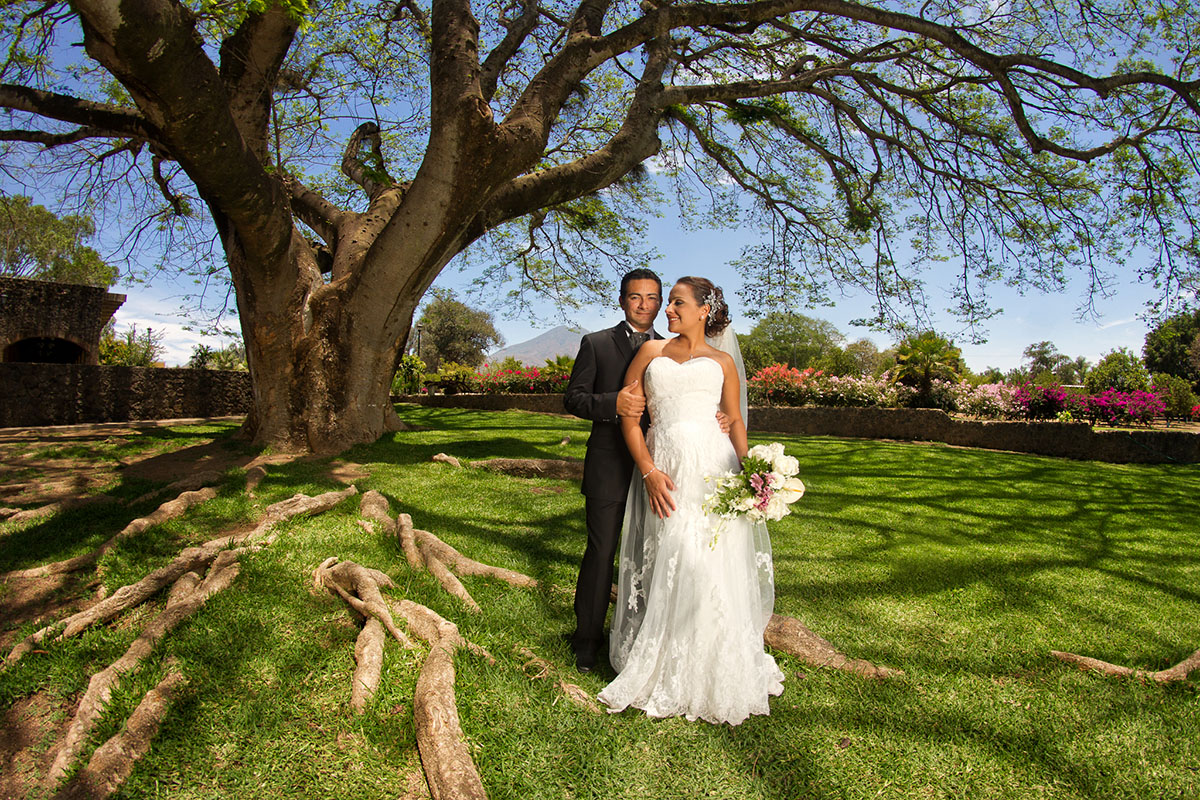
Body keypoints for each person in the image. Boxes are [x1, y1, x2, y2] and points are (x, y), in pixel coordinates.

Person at [597, 276, 784, 726]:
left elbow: (735, 421)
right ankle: (666, 661)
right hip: (667, 469)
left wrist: (754, 475)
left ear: (704, 310)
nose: (668, 311)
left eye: (677, 303)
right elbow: (630, 418)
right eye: (669, 304)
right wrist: (648, 470)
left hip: (715, 472)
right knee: (675, 554)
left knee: (713, 562)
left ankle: (715, 666)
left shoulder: (723, 362)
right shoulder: (650, 353)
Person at [564, 268, 664, 673]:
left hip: (659, 465)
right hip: (608, 462)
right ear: (622, 300)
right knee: (602, 552)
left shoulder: (673, 349)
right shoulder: (596, 343)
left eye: (652, 298)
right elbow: (574, 398)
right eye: (636, 297)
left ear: (660, 302)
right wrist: (611, 404)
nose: (644, 305)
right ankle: (586, 637)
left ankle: (640, 636)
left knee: (649, 554)